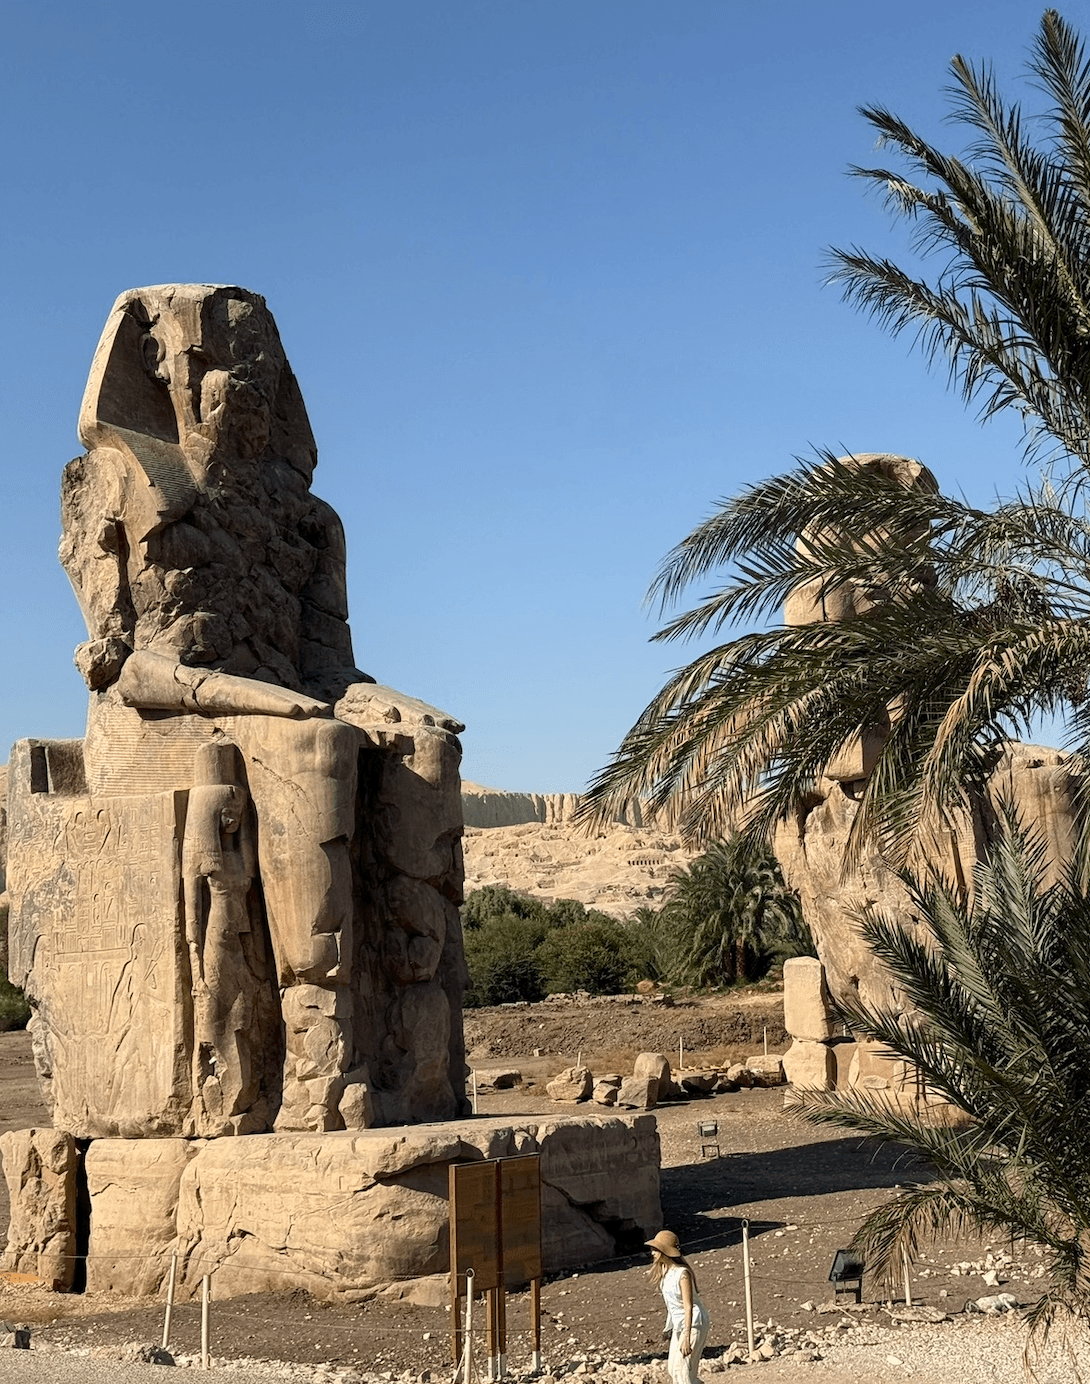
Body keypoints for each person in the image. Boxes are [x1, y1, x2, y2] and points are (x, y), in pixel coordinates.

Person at [647, 1230, 709, 1384]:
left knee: (682, 1372)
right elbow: (672, 1305)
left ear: (665, 1251)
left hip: (693, 1323)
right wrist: (668, 1327)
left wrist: (686, 1337)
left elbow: (688, 1306)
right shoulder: (665, 1273)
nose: (652, 1252)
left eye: (656, 1249)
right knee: (673, 1370)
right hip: (679, 1325)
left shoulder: (683, 1274)